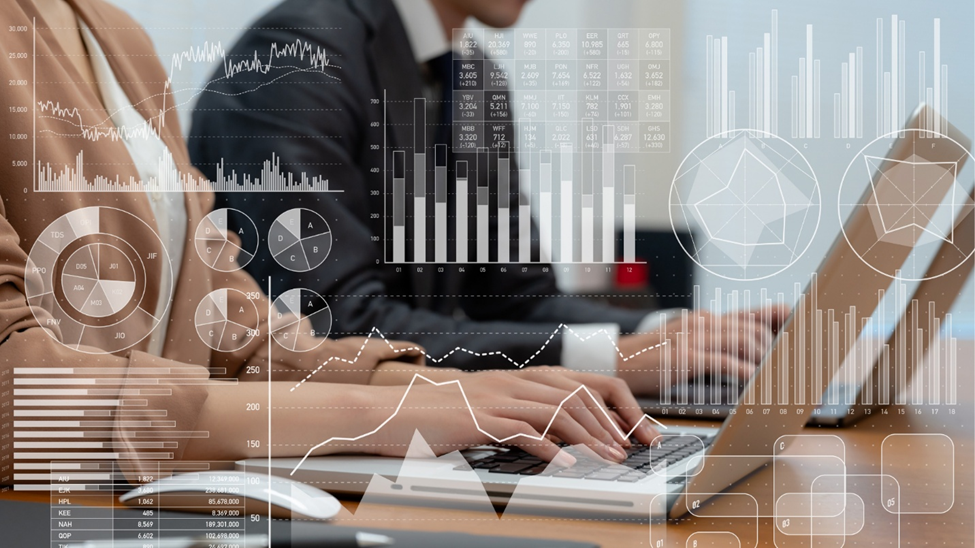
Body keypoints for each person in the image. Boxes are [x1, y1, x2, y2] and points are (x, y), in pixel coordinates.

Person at [0, 0, 662, 484]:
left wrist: (439, 390)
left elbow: (229, 325)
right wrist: (375, 409)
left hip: (139, 488)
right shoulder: (295, 54)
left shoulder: (116, 36)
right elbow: (16, 393)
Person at [190, 0, 787, 395]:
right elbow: (330, 325)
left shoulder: (473, 79)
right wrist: (610, 356)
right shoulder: (294, 60)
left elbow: (516, 298)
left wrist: (680, 332)